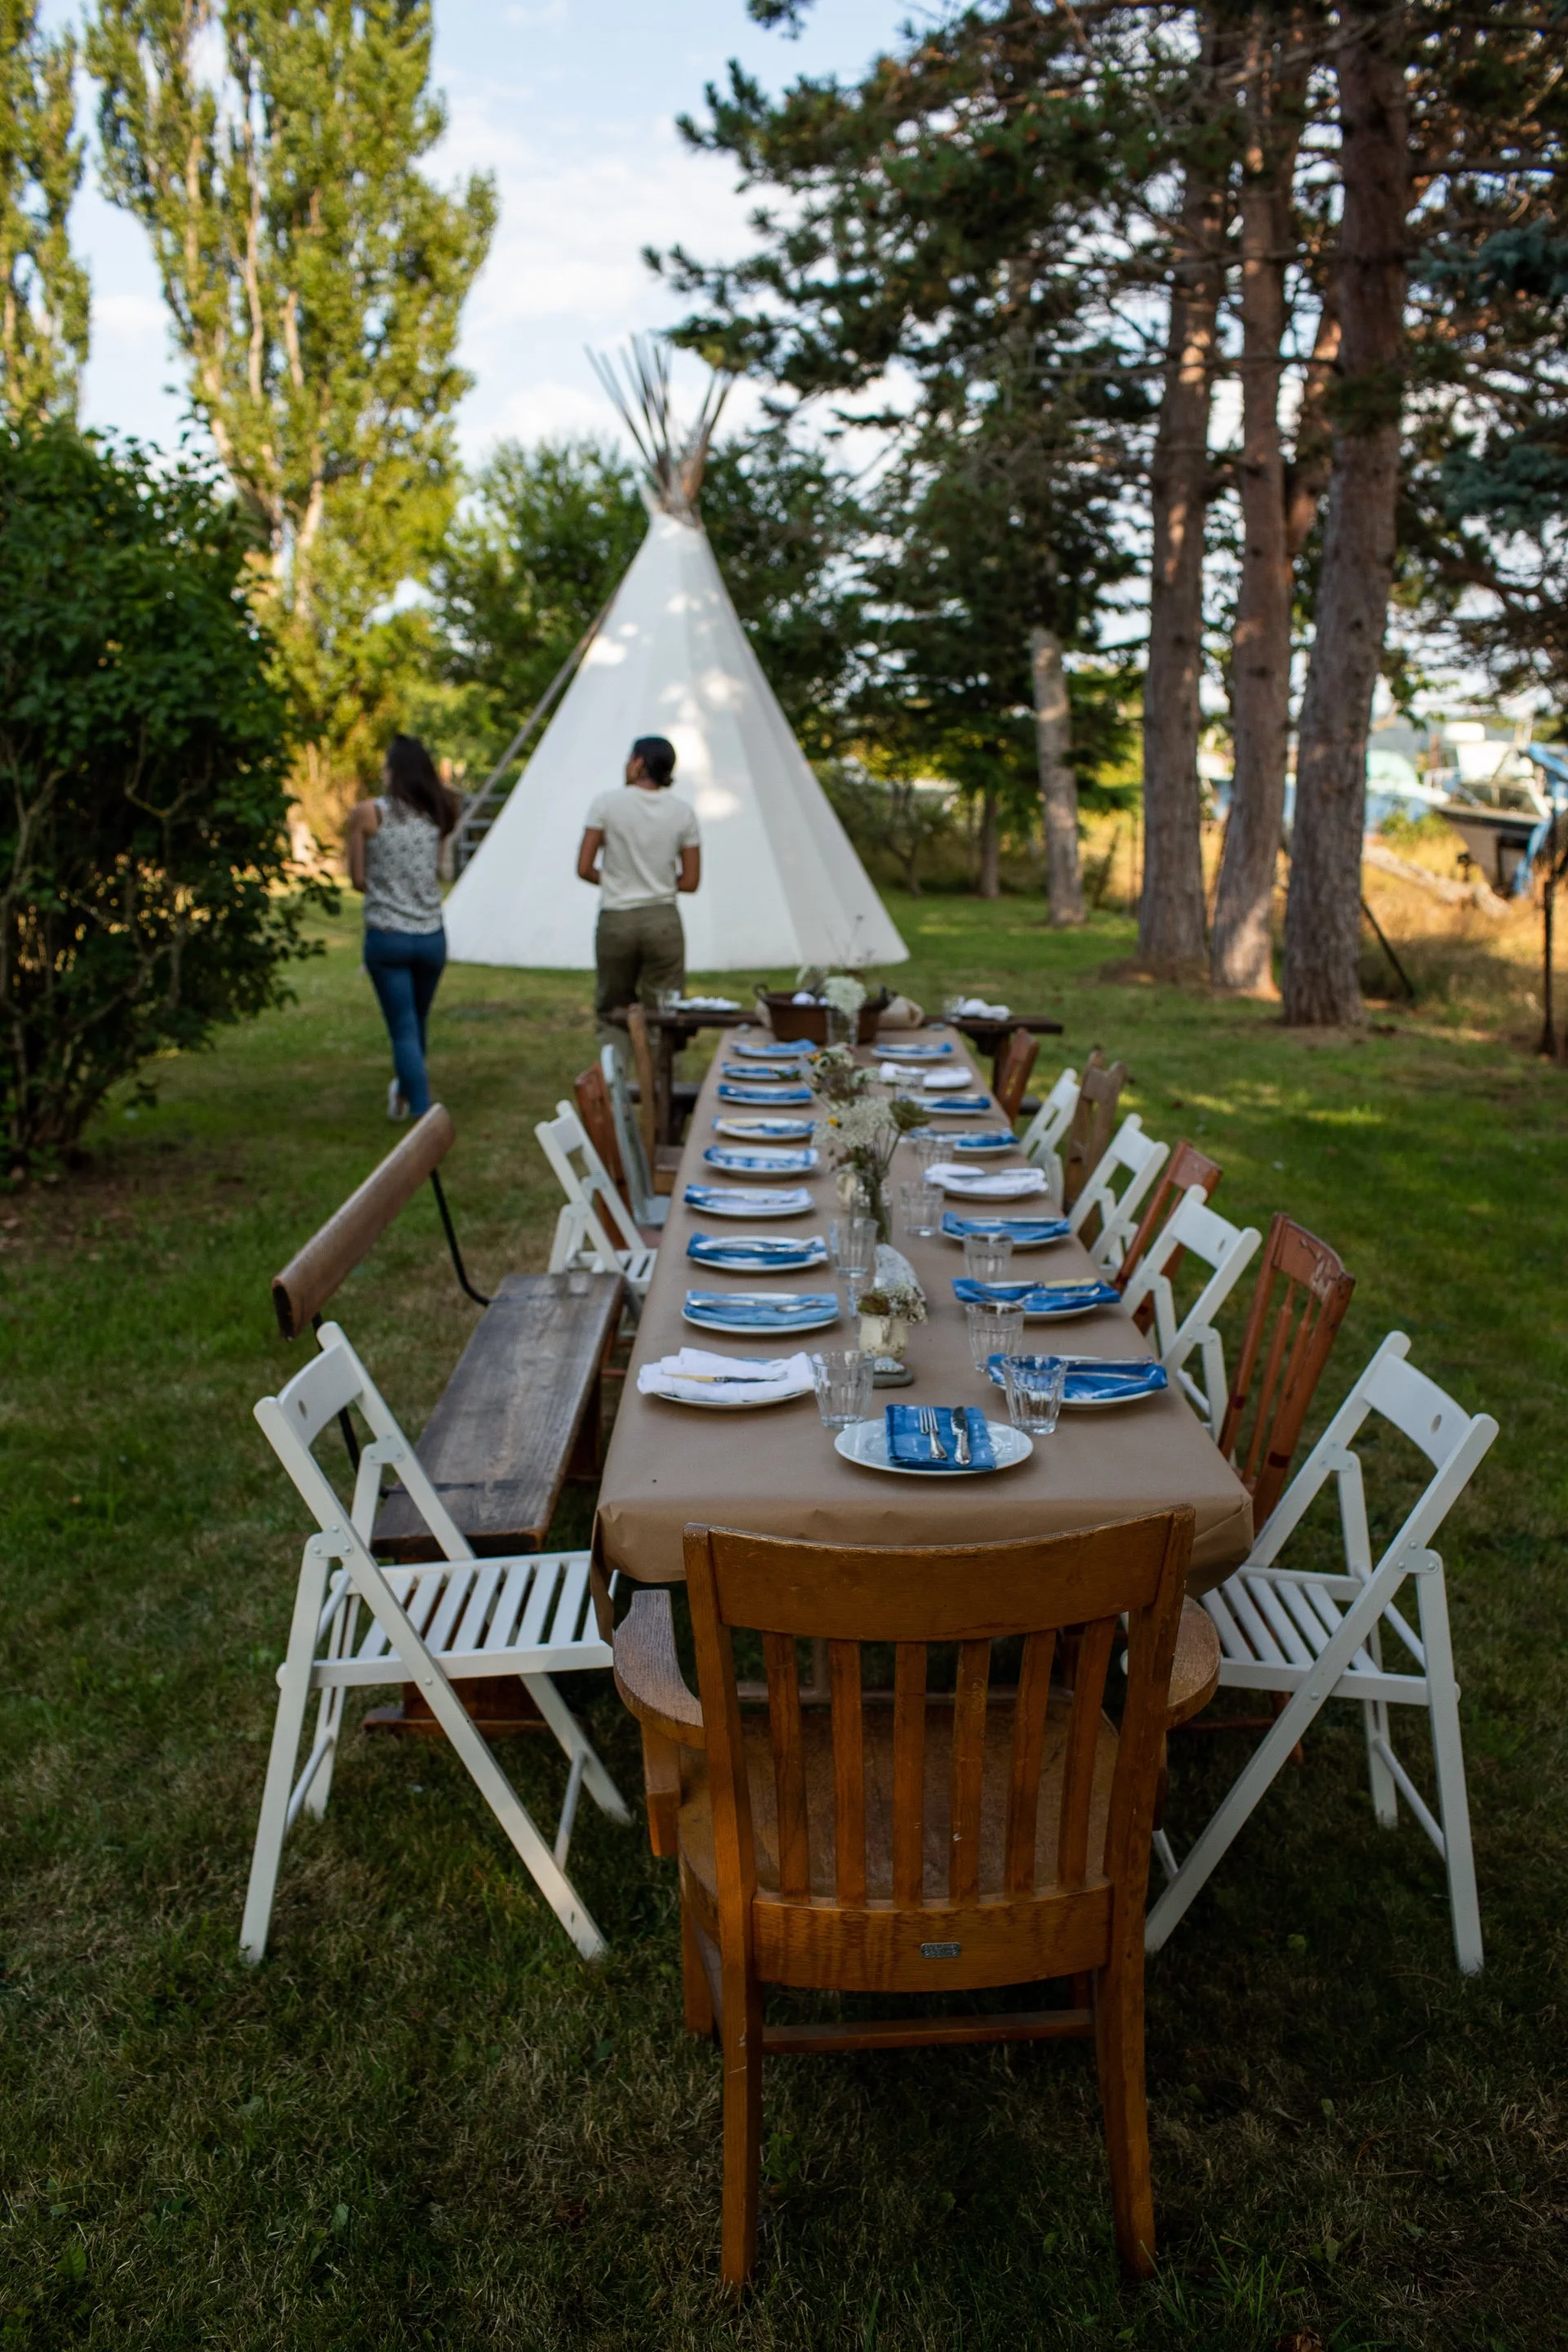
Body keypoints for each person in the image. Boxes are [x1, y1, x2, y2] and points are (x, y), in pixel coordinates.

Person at [346, 735, 458, 1120]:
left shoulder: (368, 814)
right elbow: (437, 868)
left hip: (388, 936)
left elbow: (358, 879)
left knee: (403, 1029)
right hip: (431, 935)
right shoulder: (439, 812)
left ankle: (421, 1113)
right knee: (417, 1021)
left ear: (392, 771)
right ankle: (407, 1095)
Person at [577, 734, 702, 1049]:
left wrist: (616, 879)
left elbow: (584, 867)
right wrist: (657, 880)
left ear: (638, 763)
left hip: (617, 918)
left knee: (613, 1011)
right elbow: (690, 881)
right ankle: (664, 1088)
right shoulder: (683, 812)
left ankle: (617, 1086)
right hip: (662, 919)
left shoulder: (606, 803)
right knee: (666, 1012)